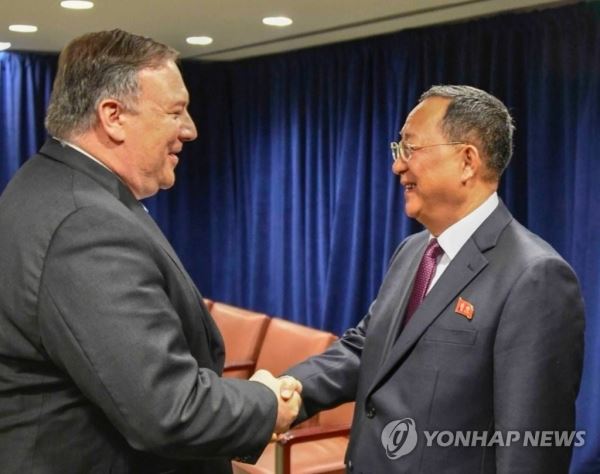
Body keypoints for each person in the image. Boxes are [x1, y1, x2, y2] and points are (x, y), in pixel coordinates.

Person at [0, 29, 301, 473]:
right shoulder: (85, 223)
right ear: (113, 115)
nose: (190, 130)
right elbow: (167, 410)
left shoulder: (47, 186)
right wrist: (265, 403)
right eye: (176, 112)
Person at [285, 85, 585, 473]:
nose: (398, 166)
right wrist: (282, 391)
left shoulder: (536, 276)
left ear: (466, 161)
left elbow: (530, 449)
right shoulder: (412, 252)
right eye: (398, 151)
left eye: (411, 149)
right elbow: (368, 348)